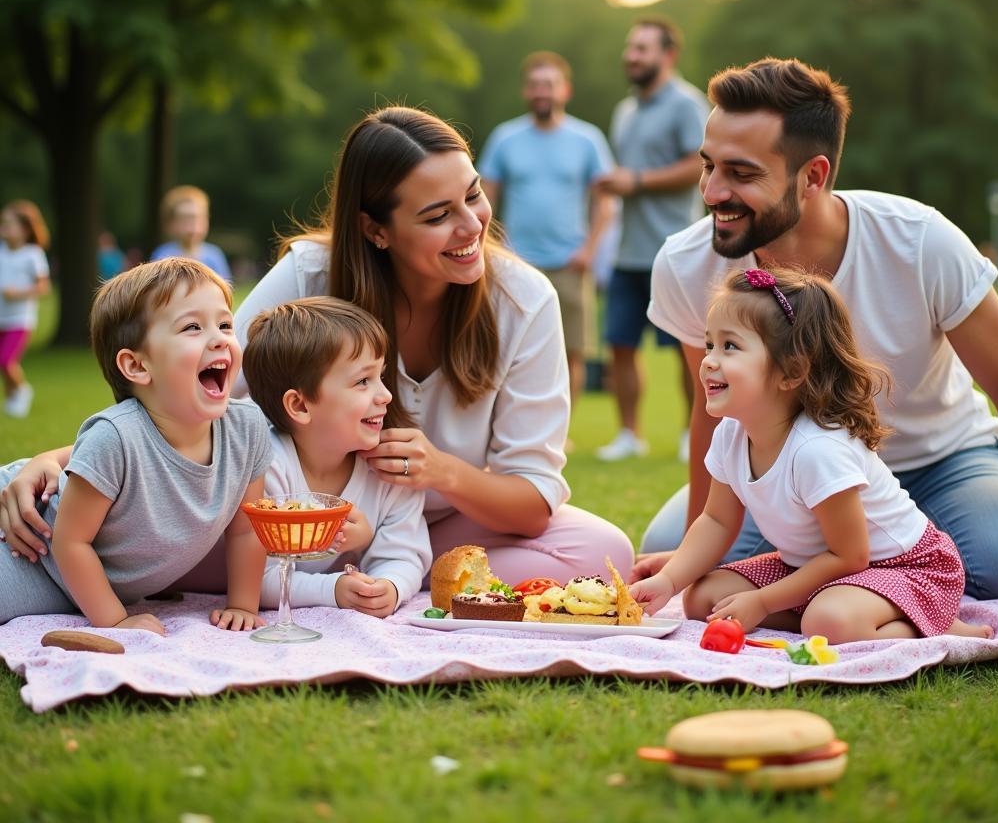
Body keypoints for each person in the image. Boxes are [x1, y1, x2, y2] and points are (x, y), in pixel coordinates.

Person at [637, 57, 998, 602]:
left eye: (741, 174)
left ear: (813, 176)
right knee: (670, 547)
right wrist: (695, 551)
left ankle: (844, 590)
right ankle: (845, 593)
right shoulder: (685, 263)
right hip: (786, 473)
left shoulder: (919, 241)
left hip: (940, 463)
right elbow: (711, 408)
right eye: (708, 166)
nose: (713, 192)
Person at [226, 106, 633, 585]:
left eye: (474, 195)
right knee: (193, 540)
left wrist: (441, 472)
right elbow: (215, 392)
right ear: (375, 230)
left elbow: (533, 504)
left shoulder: (523, 301)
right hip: (303, 527)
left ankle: (393, 572)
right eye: (438, 215)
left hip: (440, 527)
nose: (471, 226)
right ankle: (344, 575)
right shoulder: (311, 274)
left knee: (603, 552)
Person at [630, 267, 992, 642]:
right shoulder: (731, 434)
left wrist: (764, 602)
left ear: (791, 372)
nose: (708, 360)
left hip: (906, 567)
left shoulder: (817, 450)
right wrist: (669, 580)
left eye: (730, 346)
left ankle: (930, 623)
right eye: (709, 344)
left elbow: (850, 556)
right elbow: (717, 521)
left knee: (828, 623)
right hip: (818, 570)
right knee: (704, 598)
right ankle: (834, 614)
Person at [0, 257, 270, 631]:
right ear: (138, 366)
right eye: (193, 327)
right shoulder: (116, 437)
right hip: (28, 551)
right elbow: (71, 542)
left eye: (225, 324)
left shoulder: (248, 430)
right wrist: (116, 622)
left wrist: (243, 605)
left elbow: (244, 530)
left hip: (81, 582)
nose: (220, 337)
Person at [244, 296, 431, 617]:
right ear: (300, 406)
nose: (386, 395)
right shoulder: (267, 467)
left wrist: (390, 585)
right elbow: (255, 579)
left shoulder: (392, 468)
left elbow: (404, 554)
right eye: (362, 381)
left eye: (381, 376)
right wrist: (332, 589)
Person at [593, 18, 709, 462]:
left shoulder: (686, 104)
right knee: (621, 345)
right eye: (630, 47)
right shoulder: (626, 110)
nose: (632, 55)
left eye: (642, 48)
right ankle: (629, 434)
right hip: (627, 251)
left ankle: (690, 433)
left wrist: (636, 181)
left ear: (668, 55)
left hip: (675, 249)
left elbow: (700, 165)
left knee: (689, 348)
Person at [479, 51, 617, 408]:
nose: (542, 92)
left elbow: (606, 203)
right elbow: (483, 197)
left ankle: (560, 436)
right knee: (506, 348)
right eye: (535, 85)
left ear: (565, 90)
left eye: (549, 85)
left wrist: (589, 250)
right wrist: (496, 246)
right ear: (526, 92)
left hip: (570, 263)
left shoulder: (587, 139)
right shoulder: (505, 139)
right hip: (515, 263)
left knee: (572, 351)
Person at [0, 200, 51, 418]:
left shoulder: (32, 254)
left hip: (20, 319)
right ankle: (12, 398)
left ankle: (22, 391)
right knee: (3, 364)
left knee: (6, 360)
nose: (4, 228)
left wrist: (17, 293)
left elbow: (43, 286)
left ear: (24, 229)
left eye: (9, 224)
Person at [151, 185, 232, 282]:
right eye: (185, 220)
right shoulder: (163, 255)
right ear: (171, 224)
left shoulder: (214, 255)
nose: (193, 227)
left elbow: (225, 290)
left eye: (198, 219)